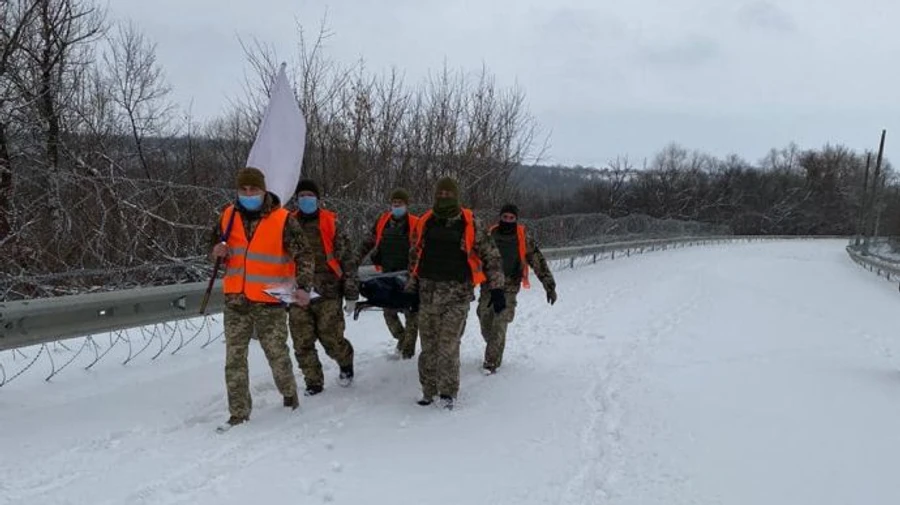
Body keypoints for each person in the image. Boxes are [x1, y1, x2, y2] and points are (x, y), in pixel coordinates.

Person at [210, 167, 316, 431]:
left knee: (276, 354)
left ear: (263, 190)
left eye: (253, 189)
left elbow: (304, 255)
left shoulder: (282, 219)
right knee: (234, 359)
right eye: (243, 189)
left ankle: (289, 395)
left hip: (269, 300)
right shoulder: (227, 216)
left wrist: (303, 286)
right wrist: (216, 250)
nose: (248, 194)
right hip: (236, 299)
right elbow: (213, 247)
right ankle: (238, 413)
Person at [406, 176, 505, 410]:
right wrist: (411, 289)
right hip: (428, 295)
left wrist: (498, 288)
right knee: (428, 347)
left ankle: (447, 393)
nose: (444, 198)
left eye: (448, 195)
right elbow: (414, 258)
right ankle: (428, 390)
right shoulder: (426, 221)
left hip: (457, 296)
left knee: (448, 345)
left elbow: (491, 256)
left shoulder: (470, 223)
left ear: (456, 196)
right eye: (440, 194)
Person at [287, 179, 359, 395]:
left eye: (310, 195)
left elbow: (347, 259)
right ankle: (313, 381)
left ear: (318, 198)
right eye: (301, 196)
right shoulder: (287, 223)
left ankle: (345, 363)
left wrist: (351, 292)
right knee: (302, 340)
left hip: (328, 290)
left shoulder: (330, 222)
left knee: (331, 338)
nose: (305, 199)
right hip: (298, 292)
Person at [477, 203, 557, 374]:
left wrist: (549, 285)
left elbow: (538, 261)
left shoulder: (523, 237)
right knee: (485, 319)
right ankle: (493, 344)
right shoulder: (489, 234)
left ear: (516, 219)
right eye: (505, 217)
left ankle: (491, 362)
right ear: (500, 217)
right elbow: (475, 257)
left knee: (500, 321)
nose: (507, 220)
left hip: (510, 286)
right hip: (489, 286)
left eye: (511, 218)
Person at [358, 188, 420, 359]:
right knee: (388, 311)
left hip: (408, 276)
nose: (396, 205)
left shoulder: (415, 223)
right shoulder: (382, 221)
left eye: (400, 203)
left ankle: (408, 353)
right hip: (386, 274)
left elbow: (422, 248)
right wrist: (354, 261)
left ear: (407, 205)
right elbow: (368, 242)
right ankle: (401, 338)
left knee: (411, 314)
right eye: (394, 203)